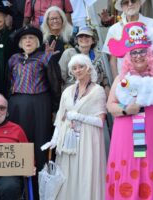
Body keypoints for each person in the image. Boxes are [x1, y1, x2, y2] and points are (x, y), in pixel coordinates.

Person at [105, 21, 153, 199]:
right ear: (128, 56)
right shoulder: (122, 80)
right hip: (126, 138)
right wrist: (126, 109)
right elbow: (110, 105)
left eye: (142, 51)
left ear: (150, 54)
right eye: (134, 52)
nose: (138, 56)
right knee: (127, 169)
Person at [42, 54, 107, 200]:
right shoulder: (67, 91)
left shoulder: (98, 90)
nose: (78, 70)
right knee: (67, 174)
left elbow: (100, 121)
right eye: (74, 68)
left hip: (88, 139)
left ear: (88, 68)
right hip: (67, 139)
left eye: (81, 67)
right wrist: (54, 139)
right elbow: (60, 118)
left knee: (85, 173)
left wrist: (79, 117)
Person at [8, 25, 57, 199]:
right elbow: (9, 82)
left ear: (37, 42)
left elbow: (54, 85)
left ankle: (37, 190)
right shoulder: (13, 59)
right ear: (20, 43)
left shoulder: (45, 58)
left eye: (31, 38)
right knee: (18, 141)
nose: (28, 41)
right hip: (16, 106)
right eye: (25, 39)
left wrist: (55, 109)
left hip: (39, 105)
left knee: (38, 144)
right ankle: (16, 186)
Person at [102, 0, 153, 79]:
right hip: (126, 80)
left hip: (150, 79)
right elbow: (113, 60)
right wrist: (117, 81)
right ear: (121, 7)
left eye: (133, 1)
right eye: (126, 2)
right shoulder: (114, 29)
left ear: (139, 3)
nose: (130, 4)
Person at [59, 26, 110, 96]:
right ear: (76, 40)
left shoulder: (98, 55)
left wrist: (106, 86)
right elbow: (60, 77)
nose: (84, 38)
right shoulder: (69, 53)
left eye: (87, 36)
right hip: (74, 94)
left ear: (93, 40)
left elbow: (104, 75)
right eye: (81, 36)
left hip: (94, 93)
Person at [40, 6, 73, 111]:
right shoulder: (42, 40)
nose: (55, 21)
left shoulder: (71, 36)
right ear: (47, 22)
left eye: (57, 18)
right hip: (50, 82)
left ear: (62, 19)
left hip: (68, 80)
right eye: (52, 19)